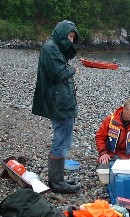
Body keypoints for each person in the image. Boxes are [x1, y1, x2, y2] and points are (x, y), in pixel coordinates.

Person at [32, 20, 80, 194]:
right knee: (61, 139)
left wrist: (68, 51)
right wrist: (73, 70)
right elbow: (59, 73)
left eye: (73, 38)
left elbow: (60, 67)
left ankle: (58, 179)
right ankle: (57, 182)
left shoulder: (53, 47)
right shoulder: (51, 47)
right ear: (62, 33)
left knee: (62, 138)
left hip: (60, 100)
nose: (71, 40)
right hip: (59, 102)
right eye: (69, 36)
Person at [95, 99, 130, 166]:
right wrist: (103, 153)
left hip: (128, 158)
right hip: (109, 155)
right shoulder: (110, 120)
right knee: (104, 171)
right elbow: (99, 137)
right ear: (124, 110)